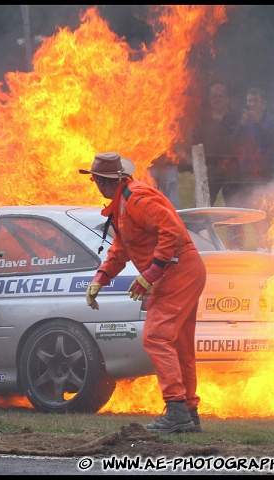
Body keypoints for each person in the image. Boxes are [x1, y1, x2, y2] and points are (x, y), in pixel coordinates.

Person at [80, 152, 206, 434]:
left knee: (156, 336)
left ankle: (176, 410)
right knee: (180, 344)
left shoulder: (137, 199)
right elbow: (121, 248)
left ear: (101, 181)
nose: (95, 184)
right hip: (181, 270)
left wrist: (152, 272)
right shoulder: (124, 204)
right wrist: (101, 277)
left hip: (178, 271)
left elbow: (170, 229)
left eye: (95, 180)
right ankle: (187, 412)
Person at [230, 87, 274, 250]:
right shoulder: (243, 121)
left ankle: (266, 245)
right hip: (247, 172)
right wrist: (242, 125)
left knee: (266, 209)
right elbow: (233, 142)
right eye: (249, 101)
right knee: (245, 207)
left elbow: (272, 141)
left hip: (267, 172)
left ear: (263, 103)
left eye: (255, 101)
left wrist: (258, 123)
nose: (251, 105)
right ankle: (237, 245)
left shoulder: (272, 120)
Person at [191, 83, 240, 206]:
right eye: (213, 96)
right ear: (209, 99)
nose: (216, 99)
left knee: (232, 205)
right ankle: (204, 226)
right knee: (205, 204)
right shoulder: (203, 120)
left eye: (220, 96)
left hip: (231, 169)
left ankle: (234, 226)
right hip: (210, 169)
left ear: (227, 99)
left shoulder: (237, 118)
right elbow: (196, 141)